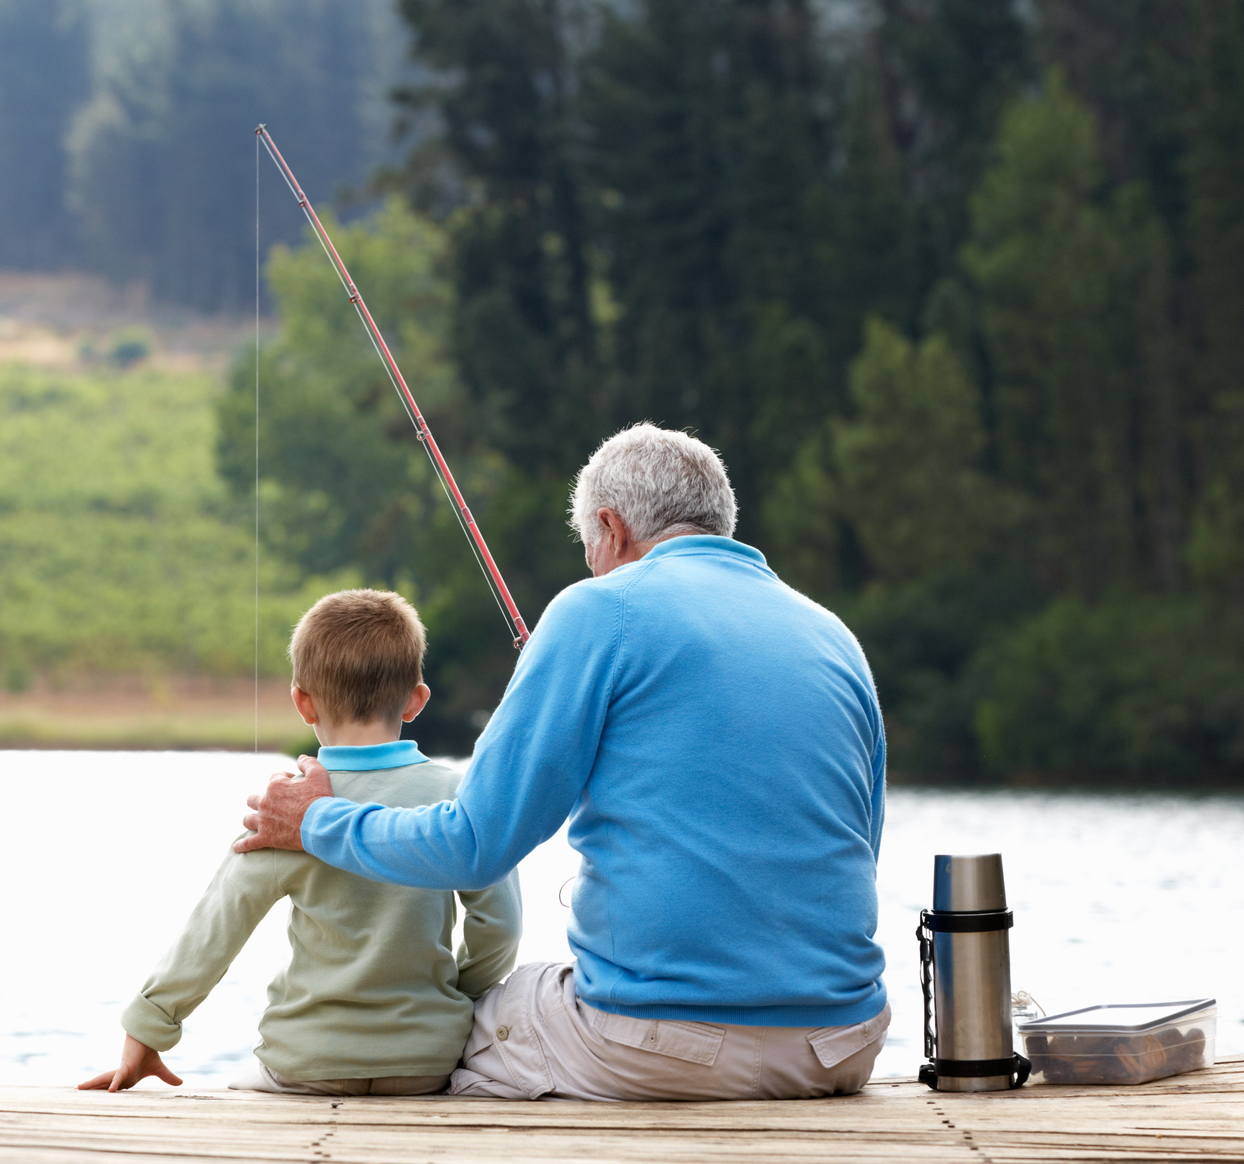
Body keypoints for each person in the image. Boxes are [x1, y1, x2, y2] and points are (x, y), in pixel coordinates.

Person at [235, 424, 890, 1102]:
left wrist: (316, 821)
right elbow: (856, 852)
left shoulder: (598, 609)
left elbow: (472, 845)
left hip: (665, 1048)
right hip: (842, 1044)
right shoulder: (832, 634)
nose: (591, 570)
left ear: (611, 529)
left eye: (589, 553)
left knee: (456, 1033)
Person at [80, 589, 522, 1097]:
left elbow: (217, 926)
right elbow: (501, 926)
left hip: (307, 1060)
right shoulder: (456, 796)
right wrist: (455, 998)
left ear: (302, 702)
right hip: (426, 1061)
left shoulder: (285, 808)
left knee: (237, 1091)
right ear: (417, 699)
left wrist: (149, 1027)